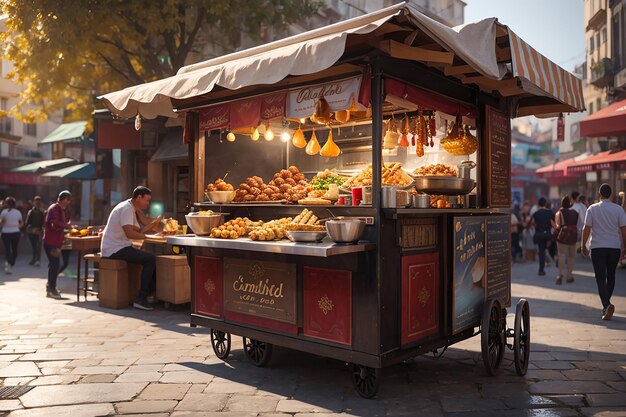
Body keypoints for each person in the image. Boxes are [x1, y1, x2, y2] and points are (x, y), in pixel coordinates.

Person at [100, 186, 162, 311]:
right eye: (146, 200)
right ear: (139, 197)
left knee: (148, 258)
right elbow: (130, 234)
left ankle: (149, 294)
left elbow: (138, 230)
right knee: (150, 259)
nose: (147, 203)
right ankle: (141, 298)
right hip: (114, 249)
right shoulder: (127, 209)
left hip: (119, 247)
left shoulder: (130, 208)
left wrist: (154, 227)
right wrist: (149, 236)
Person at [581, 184, 626, 321]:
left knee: (600, 277)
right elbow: (624, 229)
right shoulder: (618, 209)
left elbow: (586, 228)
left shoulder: (592, 209)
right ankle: (606, 305)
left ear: (599, 193)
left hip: (598, 247)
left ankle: (606, 304)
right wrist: (625, 246)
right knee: (611, 276)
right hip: (614, 247)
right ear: (611, 194)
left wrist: (583, 245)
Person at [43, 190, 72, 299]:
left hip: (56, 241)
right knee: (54, 265)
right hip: (51, 241)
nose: (68, 203)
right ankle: (51, 289)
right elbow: (54, 223)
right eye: (68, 200)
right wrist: (66, 226)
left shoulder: (62, 209)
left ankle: (50, 286)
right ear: (65, 199)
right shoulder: (55, 208)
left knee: (55, 265)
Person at [554, 195, 578, 285]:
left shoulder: (559, 213)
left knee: (561, 255)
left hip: (563, 236)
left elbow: (557, 226)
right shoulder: (575, 212)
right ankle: (569, 276)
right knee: (572, 256)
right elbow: (578, 225)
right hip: (573, 236)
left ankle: (560, 275)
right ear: (570, 203)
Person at [0, 197, 24, 274]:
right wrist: (17, 226)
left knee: (7, 249)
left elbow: (1, 223)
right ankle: (10, 263)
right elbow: (21, 223)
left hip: (5, 232)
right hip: (15, 232)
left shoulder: (4, 212)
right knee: (14, 249)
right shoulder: (18, 212)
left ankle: (8, 263)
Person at [532, 197, 555, 276]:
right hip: (548, 235)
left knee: (541, 252)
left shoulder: (536, 214)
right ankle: (555, 259)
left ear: (538, 204)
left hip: (539, 235)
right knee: (551, 247)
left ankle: (541, 270)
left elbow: (533, 223)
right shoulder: (550, 213)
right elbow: (553, 224)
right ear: (545, 204)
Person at [25, 196, 46, 266]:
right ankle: (34, 259)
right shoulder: (31, 212)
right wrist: (32, 228)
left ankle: (37, 260)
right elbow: (27, 222)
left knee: (38, 246)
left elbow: (44, 222)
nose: (37, 203)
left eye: (38, 202)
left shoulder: (42, 212)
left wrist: (39, 228)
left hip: (39, 231)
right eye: (36, 202)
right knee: (34, 246)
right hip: (32, 231)